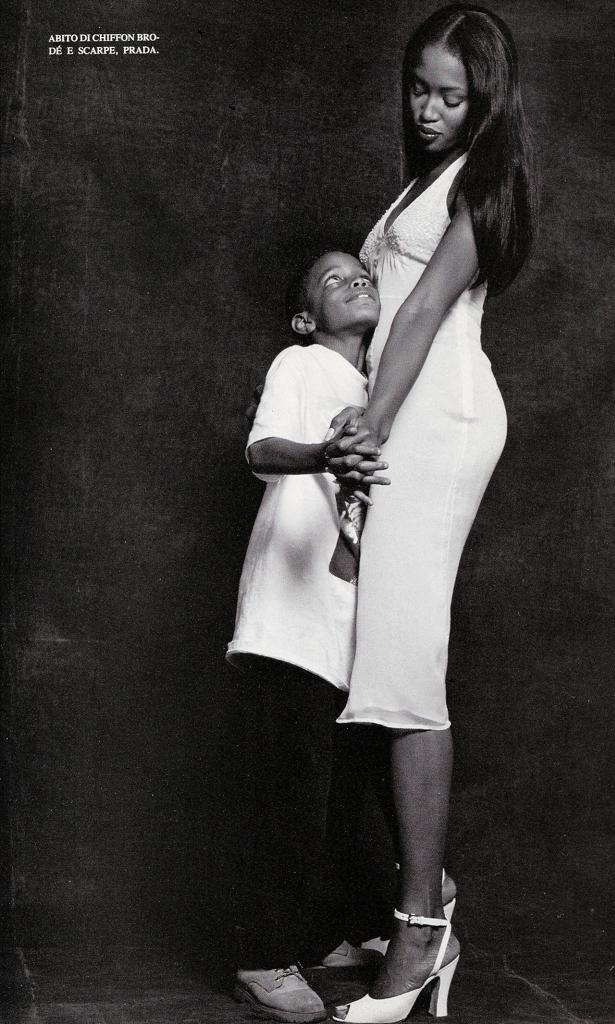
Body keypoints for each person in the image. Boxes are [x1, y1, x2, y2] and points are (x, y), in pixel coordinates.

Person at [328, 7, 538, 1021]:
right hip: (400, 410)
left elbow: (416, 315)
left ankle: (419, 932)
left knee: (404, 667)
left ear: (486, 101)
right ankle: (430, 895)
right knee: (374, 662)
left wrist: (368, 425)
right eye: (419, 87)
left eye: (452, 95)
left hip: (436, 417)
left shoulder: (481, 185)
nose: (428, 109)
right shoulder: (423, 182)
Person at [227, 251, 391, 1023]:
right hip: (286, 623)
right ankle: (261, 958)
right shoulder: (301, 364)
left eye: (362, 273)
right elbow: (260, 451)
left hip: (344, 624)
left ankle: (321, 937)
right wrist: (322, 454)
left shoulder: (378, 389)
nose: (355, 280)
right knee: (287, 799)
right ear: (304, 319)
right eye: (332, 280)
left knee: (335, 797)